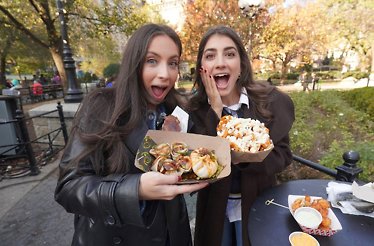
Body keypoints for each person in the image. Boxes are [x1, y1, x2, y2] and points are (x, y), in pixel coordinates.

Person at [54, 23, 207, 246]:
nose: (165, 74)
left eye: (173, 63)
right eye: (152, 61)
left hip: (171, 235)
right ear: (134, 63)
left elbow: (194, 163)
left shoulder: (177, 112)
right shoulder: (101, 107)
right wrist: (135, 190)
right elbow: (68, 188)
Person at [187, 25, 295, 246]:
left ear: (241, 64)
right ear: (201, 68)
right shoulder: (193, 111)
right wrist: (215, 111)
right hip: (215, 209)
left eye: (229, 54)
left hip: (258, 203)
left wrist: (247, 157)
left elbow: (283, 155)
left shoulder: (271, 103)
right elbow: (195, 167)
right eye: (210, 56)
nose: (220, 62)